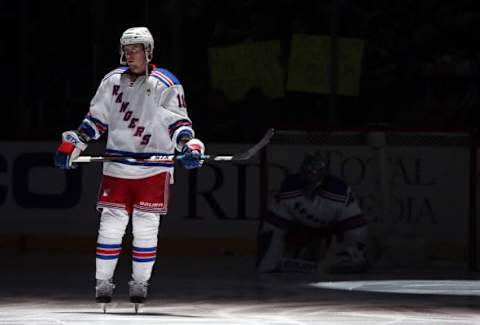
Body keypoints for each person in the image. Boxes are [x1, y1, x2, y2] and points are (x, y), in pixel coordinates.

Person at [54, 27, 205, 308]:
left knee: (146, 228)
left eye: (136, 48)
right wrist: (75, 144)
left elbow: (179, 124)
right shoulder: (111, 81)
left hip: (153, 169)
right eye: (126, 48)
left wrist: (188, 146)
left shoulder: (165, 83)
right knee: (110, 226)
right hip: (118, 167)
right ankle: (103, 282)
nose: (130, 53)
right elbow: (95, 121)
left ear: (149, 51)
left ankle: (140, 283)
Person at [256, 151, 369, 274]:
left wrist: (355, 253)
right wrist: (268, 262)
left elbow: (357, 231)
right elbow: (272, 228)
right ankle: (300, 251)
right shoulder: (288, 190)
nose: (310, 185)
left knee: (356, 259)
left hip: (331, 231)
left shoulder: (340, 192)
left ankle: (327, 256)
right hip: (301, 230)